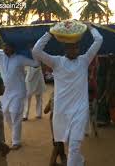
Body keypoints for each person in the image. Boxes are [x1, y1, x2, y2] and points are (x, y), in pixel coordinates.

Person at [32, 22, 103, 166]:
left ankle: (74, 162)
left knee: (75, 144)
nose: (75, 50)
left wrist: (90, 27)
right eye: (71, 47)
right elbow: (36, 51)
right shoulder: (56, 62)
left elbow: (99, 40)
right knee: (69, 143)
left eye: (76, 47)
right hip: (61, 111)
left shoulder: (84, 60)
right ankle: (79, 162)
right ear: (65, 49)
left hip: (79, 110)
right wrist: (50, 33)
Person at [0, 27, 40, 150]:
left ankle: (16, 141)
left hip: (19, 91)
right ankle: (15, 133)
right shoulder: (0, 57)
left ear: (13, 48)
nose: (5, 48)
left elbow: (36, 64)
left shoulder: (20, 58)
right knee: (6, 114)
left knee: (15, 114)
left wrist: (32, 50)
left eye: (7, 46)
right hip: (5, 92)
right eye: (4, 46)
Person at [44, 91, 67, 166]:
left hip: (53, 118)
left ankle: (61, 159)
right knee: (58, 141)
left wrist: (51, 102)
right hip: (61, 117)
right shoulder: (65, 92)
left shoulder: (54, 93)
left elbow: (45, 111)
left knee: (57, 141)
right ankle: (58, 161)